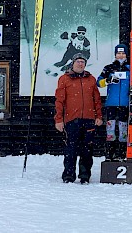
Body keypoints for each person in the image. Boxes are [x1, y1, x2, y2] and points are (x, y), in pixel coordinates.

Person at [54, 53, 103, 184]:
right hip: (71, 120)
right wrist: (59, 119)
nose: (80, 64)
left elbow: (97, 100)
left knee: (87, 150)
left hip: (89, 119)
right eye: (78, 61)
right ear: (73, 63)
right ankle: (69, 176)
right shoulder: (64, 79)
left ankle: (85, 176)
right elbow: (59, 101)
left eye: (82, 61)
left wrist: (99, 116)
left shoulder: (91, 79)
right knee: (71, 149)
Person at [96, 44, 132, 161]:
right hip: (111, 103)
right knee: (110, 130)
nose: (120, 55)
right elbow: (98, 82)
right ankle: (110, 153)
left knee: (123, 130)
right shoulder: (109, 68)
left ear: (126, 55)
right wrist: (108, 80)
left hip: (125, 104)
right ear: (115, 55)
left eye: (123, 53)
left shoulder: (131, 68)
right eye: (118, 53)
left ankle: (121, 154)